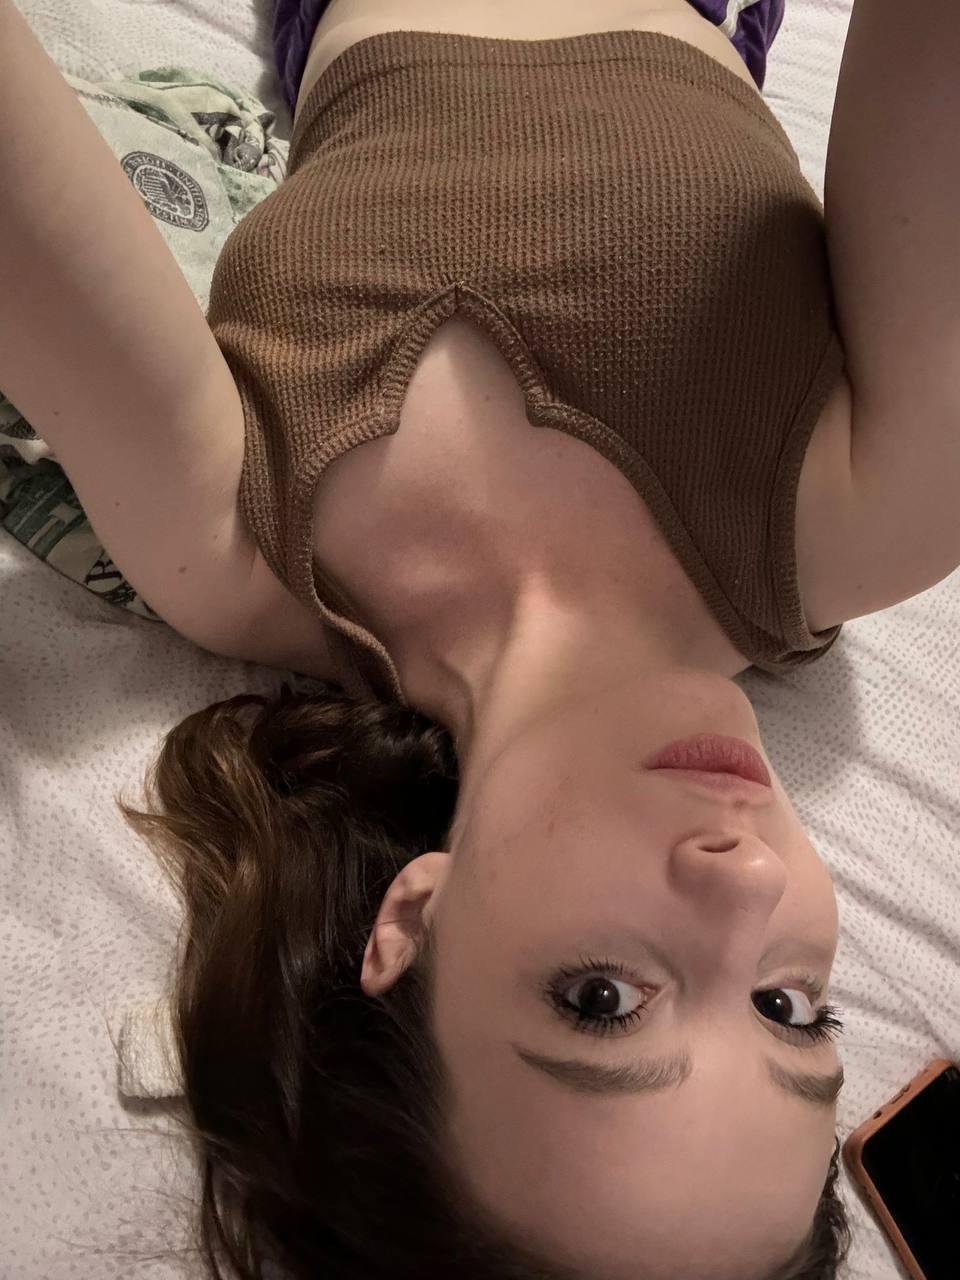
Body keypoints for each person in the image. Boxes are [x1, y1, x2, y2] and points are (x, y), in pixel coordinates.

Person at [3, 0, 958, 1276]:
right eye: (789, 1007)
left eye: (602, 999)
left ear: (411, 920)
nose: (746, 885)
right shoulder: (876, 514)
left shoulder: (238, 549)